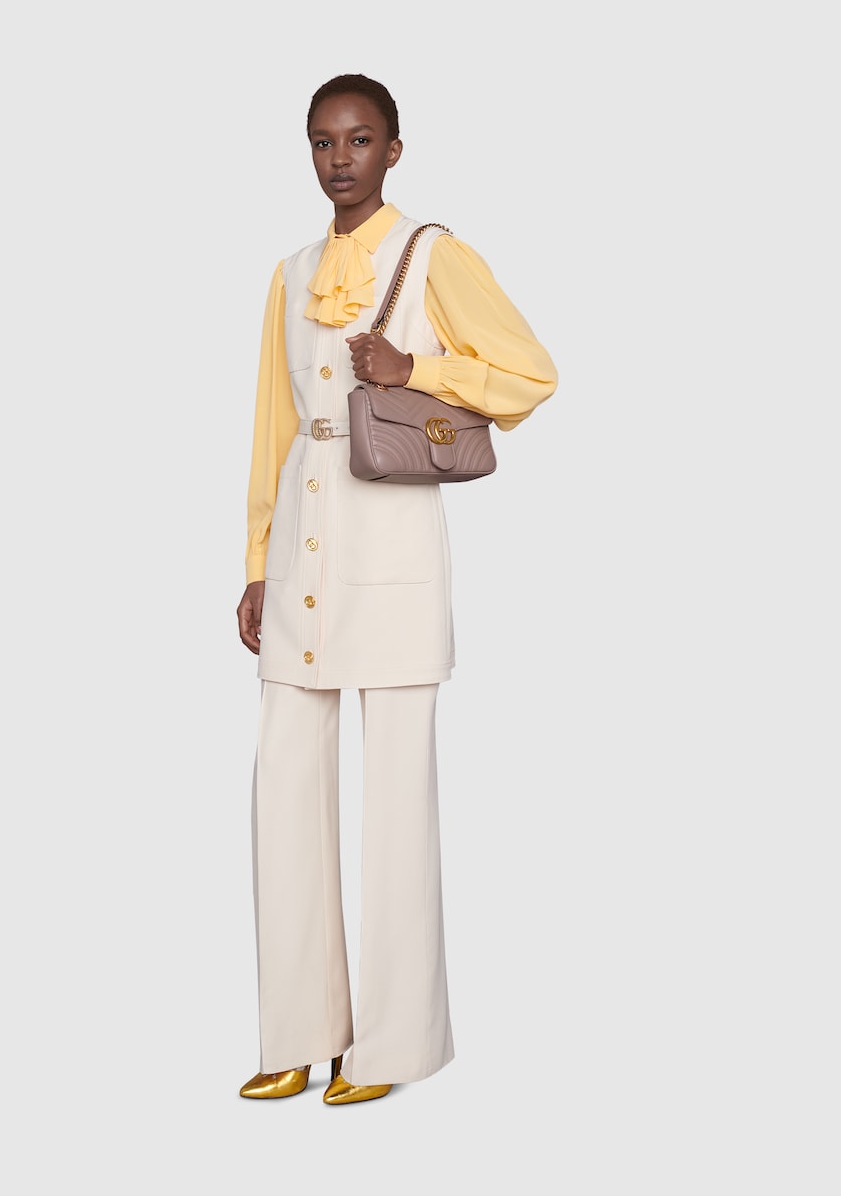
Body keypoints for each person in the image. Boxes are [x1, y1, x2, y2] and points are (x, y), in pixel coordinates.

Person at [235, 74, 557, 1105]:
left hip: (394, 542)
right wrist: (256, 563)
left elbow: (530, 373)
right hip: (303, 553)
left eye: (361, 139)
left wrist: (412, 367)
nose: (341, 158)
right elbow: (273, 429)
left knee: (396, 799)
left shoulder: (433, 254)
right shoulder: (290, 274)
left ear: (394, 149)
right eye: (324, 142)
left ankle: (393, 1048)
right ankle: (296, 1031)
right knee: (285, 784)